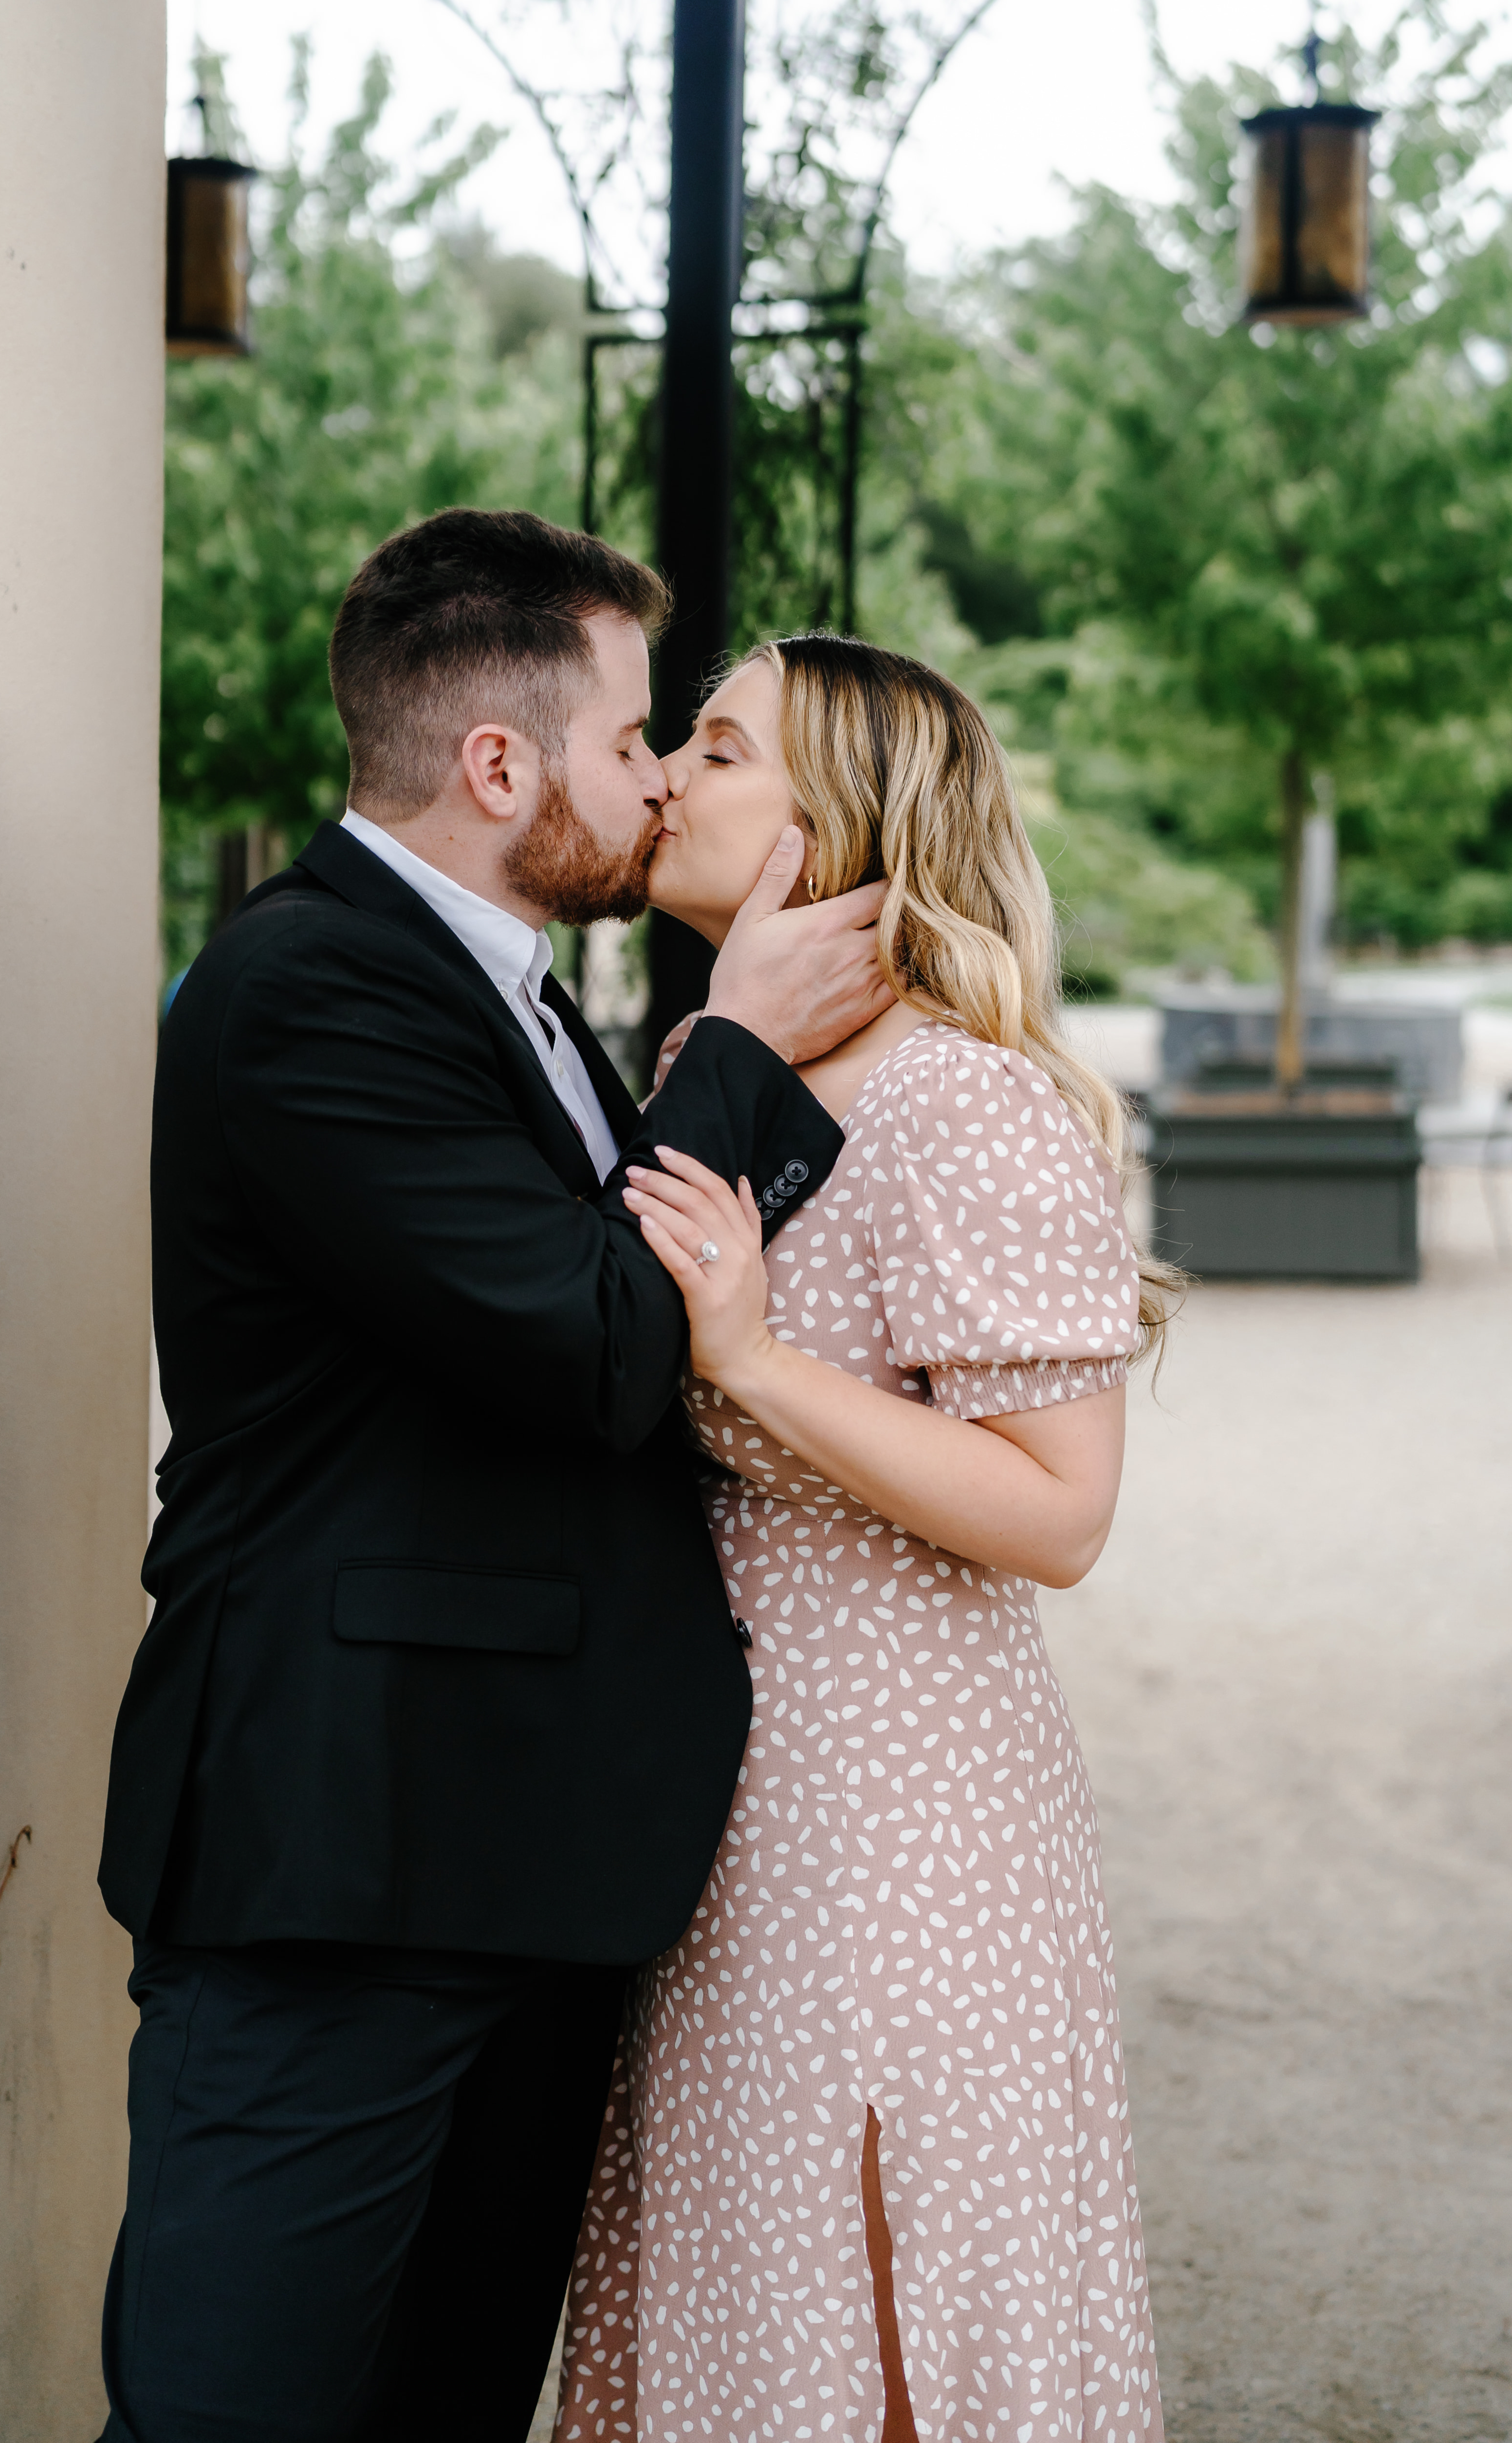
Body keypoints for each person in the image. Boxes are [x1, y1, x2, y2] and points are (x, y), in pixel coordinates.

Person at [94, 512, 897, 2443]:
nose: (653, 785)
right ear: (495, 764)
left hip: (524, 1858)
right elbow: (601, 1346)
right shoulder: (306, 991)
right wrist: (743, 1045)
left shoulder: (519, 992)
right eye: (636, 740)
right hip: (342, 1863)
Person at [555, 634, 1174, 2443]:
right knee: (758, 2274)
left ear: (836, 830)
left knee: (885, 2279)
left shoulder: (963, 1096)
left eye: (719, 746)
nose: (665, 767)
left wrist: (746, 1355)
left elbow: (1062, 1511)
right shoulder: (711, 1059)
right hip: (734, 1778)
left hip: (899, 1797)